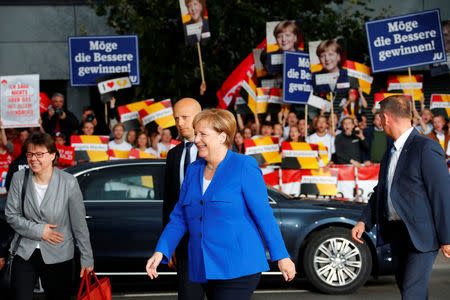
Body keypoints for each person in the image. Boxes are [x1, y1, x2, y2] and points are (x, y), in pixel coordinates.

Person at [146, 109, 296, 300]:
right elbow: (179, 218)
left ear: (222, 136)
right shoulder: (193, 170)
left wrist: (281, 257)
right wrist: (161, 251)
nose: (197, 139)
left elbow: (264, 216)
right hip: (201, 265)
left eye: (203, 134)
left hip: (238, 265)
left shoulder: (244, 166)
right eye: (196, 133)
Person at [351, 95, 450, 299]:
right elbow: (382, 190)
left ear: (385, 118)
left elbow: (442, 194)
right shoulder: (390, 152)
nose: (378, 122)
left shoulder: (426, 147)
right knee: (410, 290)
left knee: (411, 293)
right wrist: (364, 220)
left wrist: (447, 237)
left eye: (378, 118)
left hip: (422, 236)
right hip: (397, 234)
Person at [5, 132, 94, 300]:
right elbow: (11, 215)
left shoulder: (68, 182)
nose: (33, 159)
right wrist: (40, 231)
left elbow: (79, 224)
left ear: (53, 155)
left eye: (39, 154)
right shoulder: (19, 178)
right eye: (30, 154)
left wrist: (87, 258)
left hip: (59, 254)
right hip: (24, 252)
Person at [162, 98, 204, 300]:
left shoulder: (217, 152)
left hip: (216, 239)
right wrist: (168, 246)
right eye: (176, 118)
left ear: (199, 116)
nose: (179, 122)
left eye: (185, 117)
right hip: (185, 242)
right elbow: (169, 203)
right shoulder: (173, 155)